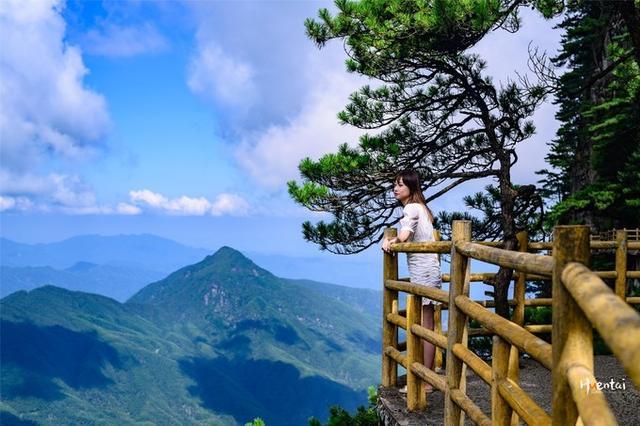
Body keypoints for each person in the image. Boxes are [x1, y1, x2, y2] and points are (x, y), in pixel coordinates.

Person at [382, 170, 442, 394]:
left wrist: (392, 240)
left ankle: (426, 381)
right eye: (394, 185)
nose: (395, 189)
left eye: (400, 185)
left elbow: (405, 236)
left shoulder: (411, 208)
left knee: (425, 327)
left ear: (411, 187)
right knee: (427, 325)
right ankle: (428, 377)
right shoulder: (422, 208)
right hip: (429, 269)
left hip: (424, 272)